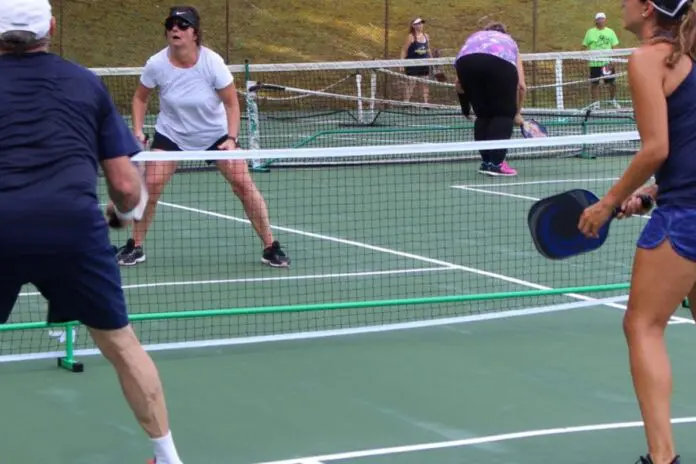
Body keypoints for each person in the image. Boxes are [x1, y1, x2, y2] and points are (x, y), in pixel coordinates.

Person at [0, 1, 184, 463]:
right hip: (74, 230)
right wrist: (122, 215)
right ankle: (168, 458)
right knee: (120, 343)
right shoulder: (85, 83)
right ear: (52, 28)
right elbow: (125, 187)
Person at [578, 0, 696, 463]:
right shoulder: (690, 60)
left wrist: (607, 203)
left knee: (642, 326)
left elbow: (657, 148)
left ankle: (662, 458)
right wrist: (649, 193)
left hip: (686, 216)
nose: (620, 5)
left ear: (647, 9)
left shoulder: (648, 60)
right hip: (681, 199)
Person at [113, 6, 290, 268]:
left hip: (215, 135)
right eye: (171, 24)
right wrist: (138, 130)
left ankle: (270, 246)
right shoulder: (157, 64)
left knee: (243, 184)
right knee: (149, 187)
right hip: (172, 135)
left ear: (195, 33)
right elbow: (140, 98)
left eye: (183, 25)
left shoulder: (212, 63)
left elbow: (231, 104)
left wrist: (231, 138)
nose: (175, 29)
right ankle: (135, 246)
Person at [453, 22, 527, 177]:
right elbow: (521, 86)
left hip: (465, 62)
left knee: (484, 114)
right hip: (499, 64)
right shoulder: (509, 42)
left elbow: (459, 85)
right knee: (503, 113)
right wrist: (516, 113)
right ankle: (497, 163)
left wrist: (465, 109)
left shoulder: (476, 38)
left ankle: (487, 162)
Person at [582, 12, 621, 108]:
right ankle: (596, 103)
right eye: (599, 19)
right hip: (594, 63)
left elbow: (614, 46)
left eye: (602, 19)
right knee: (594, 84)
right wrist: (584, 59)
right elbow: (584, 46)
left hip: (607, 64)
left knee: (612, 83)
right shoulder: (590, 32)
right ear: (596, 21)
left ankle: (612, 100)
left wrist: (613, 60)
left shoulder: (610, 32)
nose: (601, 20)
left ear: (605, 20)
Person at [400, 17, 432, 104]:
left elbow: (428, 49)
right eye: (418, 23)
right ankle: (406, 102)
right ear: (413, 26)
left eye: (421, 23)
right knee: (411, 83)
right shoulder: (410, 37)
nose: (420, 25)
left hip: (424, 64)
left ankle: (426, 103)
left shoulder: (426, 36)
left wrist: (432, 61)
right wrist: (401, 64)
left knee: (425, 83)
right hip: (412, 64)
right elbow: (404, 50)